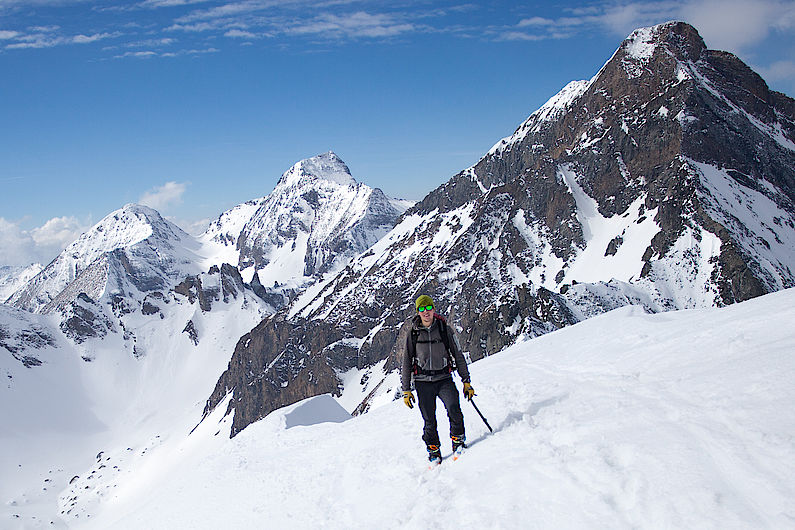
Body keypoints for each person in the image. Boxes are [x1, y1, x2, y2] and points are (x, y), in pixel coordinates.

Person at [401, 294, 475, 463]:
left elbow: (458, 355)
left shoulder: (444, 330)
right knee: (429, 419)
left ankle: (458, 441)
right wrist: (406, 390)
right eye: (422, 308)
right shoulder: (412, 334)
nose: (426, 312)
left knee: (454, 408)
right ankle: (433, 451)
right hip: (422, 382)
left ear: (433, 309)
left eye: (428, 308)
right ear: (418, 312)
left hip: (444, 378)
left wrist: (466, 381)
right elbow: (406, 362)